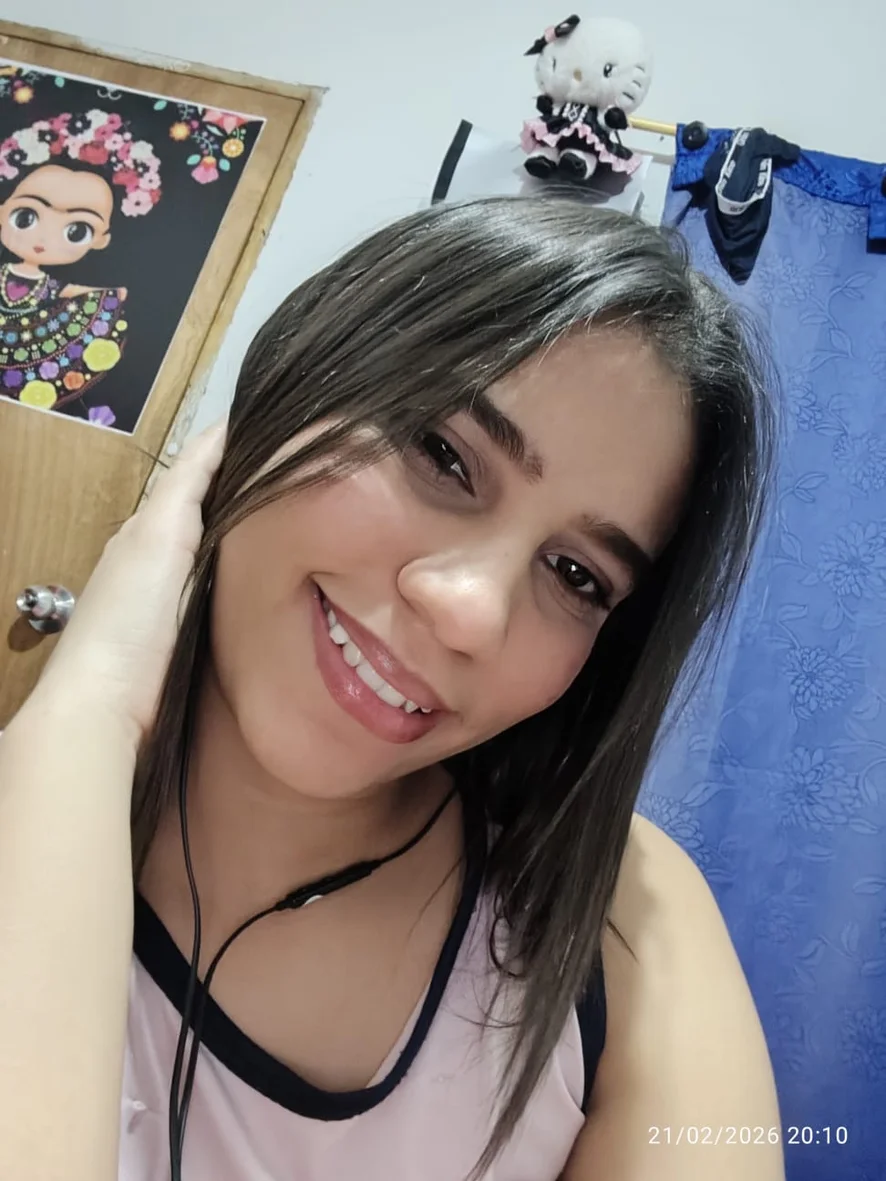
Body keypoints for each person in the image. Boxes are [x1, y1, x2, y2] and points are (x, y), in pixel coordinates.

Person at [0, 196, 785, 1181]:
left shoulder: (617, 921)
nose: (471, 611)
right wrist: (89, 713)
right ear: (300, 378)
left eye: (576, 575)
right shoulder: (41, 787)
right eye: (443, 454)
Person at [0, 108, 159, 419]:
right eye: (26, 217)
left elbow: (68, 290)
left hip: (31, 347)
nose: (43, 238)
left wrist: (112, 293)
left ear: (101, 239)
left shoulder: (50, 285)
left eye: (76, 231)